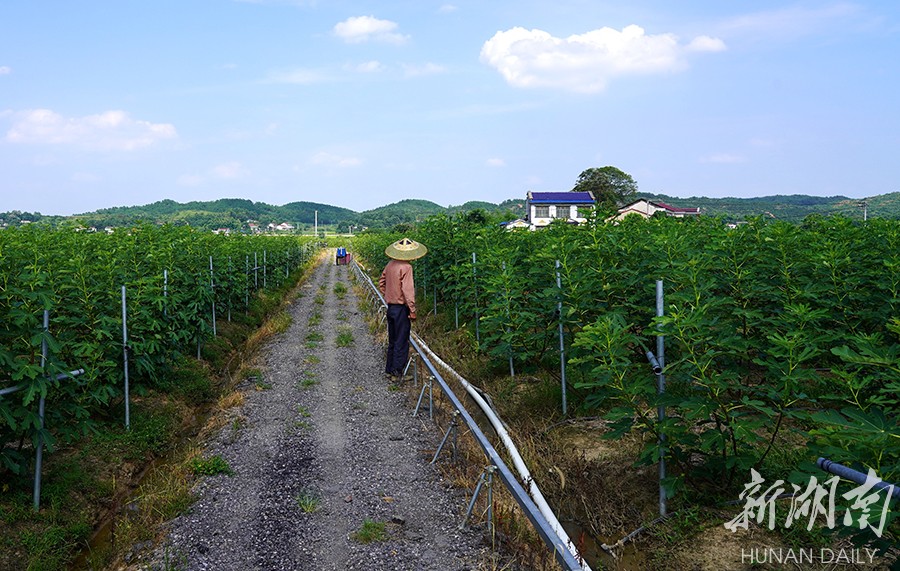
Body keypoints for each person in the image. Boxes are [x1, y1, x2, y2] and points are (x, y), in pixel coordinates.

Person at [378, 237, 427, 380]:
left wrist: (388, 294)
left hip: (391, 307)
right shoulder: (407, 268)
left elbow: (382, 282)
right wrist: (412, 309)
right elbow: (408, 291)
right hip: (401, 309)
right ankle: (397, 372)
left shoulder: (390, 264)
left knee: (393, 339)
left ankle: (389, 369)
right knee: (401, 339)